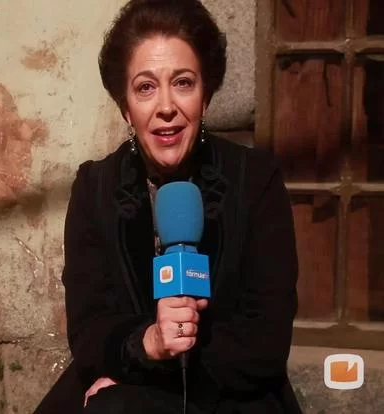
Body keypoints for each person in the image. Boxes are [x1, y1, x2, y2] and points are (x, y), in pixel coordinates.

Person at [35, 0, 302, 412]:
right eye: (145, 87)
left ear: (205, 96)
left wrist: (152, 370)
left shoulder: (255, 181)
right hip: (120, 392)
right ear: (125, 106)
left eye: (183, 83)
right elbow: (89, 332)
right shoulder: (95, 188)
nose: (166, 107)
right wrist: (148, 343)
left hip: (230, 393)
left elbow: (265, 341)